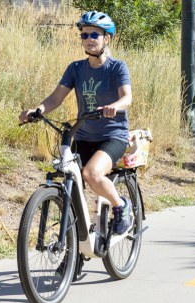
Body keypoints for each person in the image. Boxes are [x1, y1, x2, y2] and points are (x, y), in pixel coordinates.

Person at [18, 11, 133, 235]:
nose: (89, 39)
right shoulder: (75, 68)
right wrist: (37, 110)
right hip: (82, 135)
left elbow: (127, 97)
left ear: (106, 39)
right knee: (69, 182)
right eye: (84, 35)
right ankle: (74, 249)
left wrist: (114, 106)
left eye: (95, 35)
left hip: (112, 135)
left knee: (91, 174)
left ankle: (121, 206)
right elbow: (55, 98)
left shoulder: (117, 67)